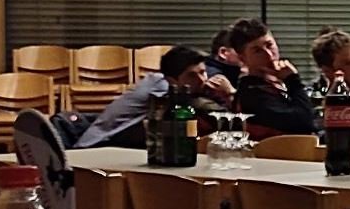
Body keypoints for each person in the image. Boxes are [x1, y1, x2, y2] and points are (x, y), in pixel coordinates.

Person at [75, 45, 234, 149]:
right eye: (192, 76)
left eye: (203, 72)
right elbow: (219, 116)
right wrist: (230, 94)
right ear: (172, 80)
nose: (202, 80)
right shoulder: (161, 90)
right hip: (96, 150)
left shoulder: (158, 81)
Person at [231, 19, 317, 138]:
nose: (269, 55)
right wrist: (293, 81)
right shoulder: (251, 93)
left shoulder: (277, 83)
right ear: (243, 58)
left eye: (269, 45)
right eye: (257, 51)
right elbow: (304, 123)